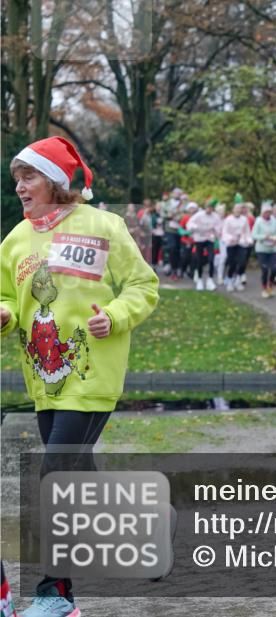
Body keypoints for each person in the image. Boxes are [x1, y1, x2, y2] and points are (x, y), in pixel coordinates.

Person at [1, 137, 159, 617]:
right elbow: (6, 297)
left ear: (54, 179)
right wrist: (4, 315)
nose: (20, 188)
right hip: (44, 378)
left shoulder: (102, 225)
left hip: (94, 374)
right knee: (78, 475)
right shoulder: (14, 240)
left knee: (56, 475)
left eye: (28, 177)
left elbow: (142, 285)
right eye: (16, 180)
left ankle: (57, 594)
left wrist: (114, 315)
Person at [187, 201, 222, 291]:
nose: (209, 209)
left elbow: (219, 228)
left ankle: (210, 280)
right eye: (207, 207)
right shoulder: (198, 215)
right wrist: (195, 228)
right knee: (199, 259)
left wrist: (216, 231)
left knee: (211, 259)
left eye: (211, 207)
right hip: (199, 239)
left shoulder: (215, 217)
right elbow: (189, 224)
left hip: (210, 239)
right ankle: (199, 279)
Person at [252, 202, 276, 298]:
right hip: (261, 249)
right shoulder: (258, 221)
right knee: (265, 269)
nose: (268, 214)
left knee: (274, 269)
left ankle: (271, 286)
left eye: (269, 212)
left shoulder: (274, 221)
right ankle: (264, 288)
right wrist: (264, 237)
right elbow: (254, 235)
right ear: (262, 213)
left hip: (272, 249)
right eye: (266, 212)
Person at [221, 202, 252, 291]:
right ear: (233, 210)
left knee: (242, 262)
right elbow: (225, 232)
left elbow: (247, 232)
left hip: (242, 243)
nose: (238, 210)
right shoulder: (228, 219)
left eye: (239, 209)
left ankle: (238, 280)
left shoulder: (244, 219)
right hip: (231, 244)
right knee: (232, 263)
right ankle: (230, 280)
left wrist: (249, 240)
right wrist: (230, 238)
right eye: (236, 208)